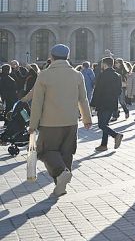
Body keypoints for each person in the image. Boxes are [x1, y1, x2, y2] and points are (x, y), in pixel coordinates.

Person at [26, 44, 92, 198]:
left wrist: (32, 124)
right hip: (71, 121)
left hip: (50, 122)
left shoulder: (44, 75)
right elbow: (83, 99)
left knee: (45, 151)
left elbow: (37, 102)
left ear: (51, 57)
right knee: (66, 153)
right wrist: (87, 118)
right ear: (68, 57)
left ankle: (62, 174)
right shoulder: (77, 75)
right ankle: (60, 186)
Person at [90, 57, 124, 152]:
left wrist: (93, 104)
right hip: (112, 103)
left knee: (101, 125)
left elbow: (97, 91)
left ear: (104, 64)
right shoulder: (117, 75)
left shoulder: (102, 75)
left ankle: (116, 135)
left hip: (102, 102)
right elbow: (119, 91)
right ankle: (104, 145)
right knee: (105, 124)